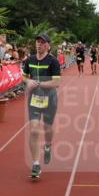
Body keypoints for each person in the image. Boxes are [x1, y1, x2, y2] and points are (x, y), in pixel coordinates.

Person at [22, 33, 62, 181]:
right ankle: (36, 164)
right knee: (33, 129)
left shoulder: (53, 61)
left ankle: (48, 146)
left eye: (42, 42)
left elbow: (56, 82)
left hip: (49, 99)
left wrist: (38, 83)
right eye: (37, 42)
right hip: (34, 99)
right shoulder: (30, 60)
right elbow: (24, 76)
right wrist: (27, 82)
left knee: (48, 128)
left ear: (48, 45)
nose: (38, 44)